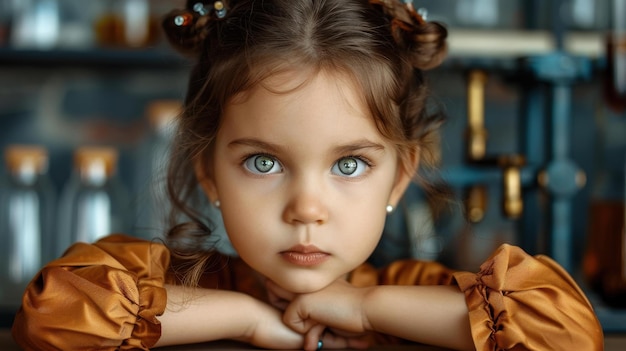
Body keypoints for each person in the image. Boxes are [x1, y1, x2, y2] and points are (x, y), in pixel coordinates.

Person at [11, 0, 603, 350]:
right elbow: (54, 317)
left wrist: (367, 309)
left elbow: (566, 336)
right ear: (209, 174)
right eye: (263, 162)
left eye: (350, 164)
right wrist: (248, 318)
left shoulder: (419, 295)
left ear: (398, 179)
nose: (306, 208)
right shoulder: (174, 284)